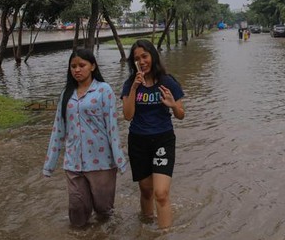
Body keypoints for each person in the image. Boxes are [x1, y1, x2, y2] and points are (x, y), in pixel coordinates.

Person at [42, 48, 127, 227]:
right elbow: (58, 129)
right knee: (77, 211)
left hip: (101, 162)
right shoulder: (66, 94)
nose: (77, 70)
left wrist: (120, 161)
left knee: (104, 211)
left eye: (82, 65)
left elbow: (112, 127)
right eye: (73, 66)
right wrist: (49, 165)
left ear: (93, 66)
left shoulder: (104, 90)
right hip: (73, 163)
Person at [122, 39, 185, 228]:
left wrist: (173, 105)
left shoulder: (168, 81)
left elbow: (181, 115)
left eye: (145, 56)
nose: (142, 62)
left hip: (163, 140)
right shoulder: (129, 84)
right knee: (147, 191)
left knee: (161, 193)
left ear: (153, 57)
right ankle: (147, 228)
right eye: (137, 59)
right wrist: (134, 87)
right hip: (138, 142)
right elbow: (127, 115)